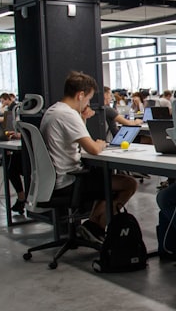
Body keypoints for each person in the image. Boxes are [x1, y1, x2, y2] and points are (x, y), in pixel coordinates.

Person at [40, 72, 138, 244]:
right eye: (88, 99)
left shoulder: (54, 110)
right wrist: (101, 144)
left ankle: (92, 227)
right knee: (129, 184)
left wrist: (83, 118)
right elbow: (92, 148)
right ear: (80, 95)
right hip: (69, 181)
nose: (88, 104)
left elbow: (75, 137)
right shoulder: (68, 114)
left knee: (103, 178)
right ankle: (95, 227)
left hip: (54, 179)